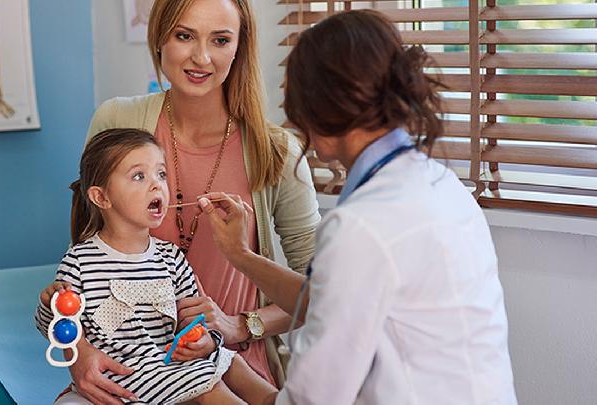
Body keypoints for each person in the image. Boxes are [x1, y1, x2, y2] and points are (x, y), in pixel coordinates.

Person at [197, 10, 518, 405]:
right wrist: (239, 255)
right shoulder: (440, 184)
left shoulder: (361, 226)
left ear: (320, 104)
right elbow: (328, 296)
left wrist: (219, 386)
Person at [61, 0, 321, 402]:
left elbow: (322, 293)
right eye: (184, 36)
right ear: (160, 37)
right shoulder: (116, 122)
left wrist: (239, 325)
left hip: (232, 374)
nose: (201, 57)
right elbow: (85, 263)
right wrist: (76, 352)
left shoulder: (278, 153)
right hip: (130, 377)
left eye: (220, 40)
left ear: (239, 48)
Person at [35, 128, 277, 404]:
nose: (157, 185)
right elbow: (58, 330)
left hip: (168, 362)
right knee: (206, 384)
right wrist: (50, 304)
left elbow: (194, 320)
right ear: (101, 198)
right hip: (126, 373)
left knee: (230, 360)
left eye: (161, 174)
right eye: (139, 176)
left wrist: (204, 340)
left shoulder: (170, 257)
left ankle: (280, 400)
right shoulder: (79, 261)